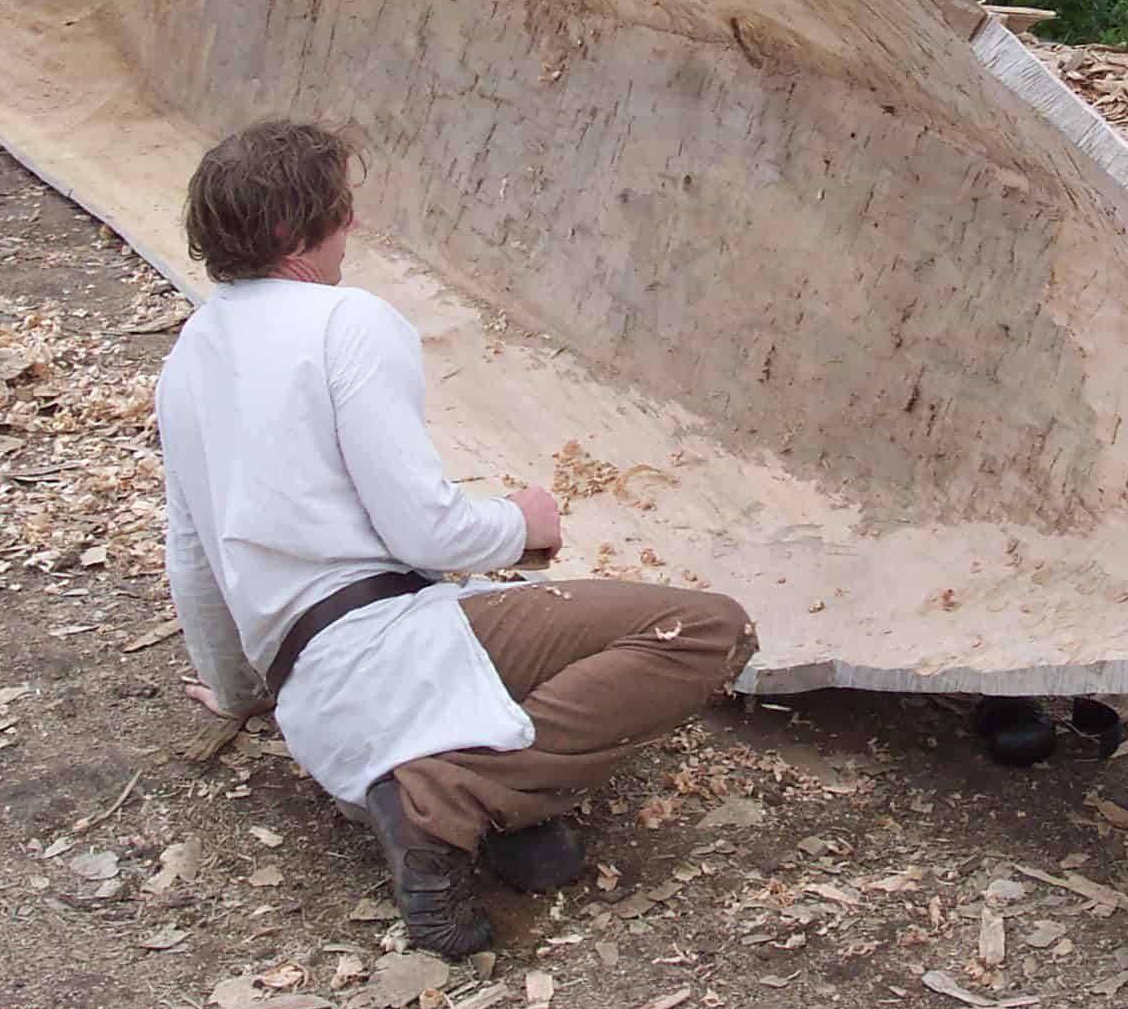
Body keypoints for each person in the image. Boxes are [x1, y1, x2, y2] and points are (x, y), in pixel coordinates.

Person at [154, 120, 757, 958]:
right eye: (342, 212)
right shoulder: (345, 321)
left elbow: (192, 558)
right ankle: (450, 793)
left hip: (313, 693)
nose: (352, 229)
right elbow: (422, 527)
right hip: (386, 640)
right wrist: (522, 524)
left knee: (545, 853)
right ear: (296, 235)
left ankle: (463, 801)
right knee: (705, 628)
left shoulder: (186, 358)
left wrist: (236, 689)